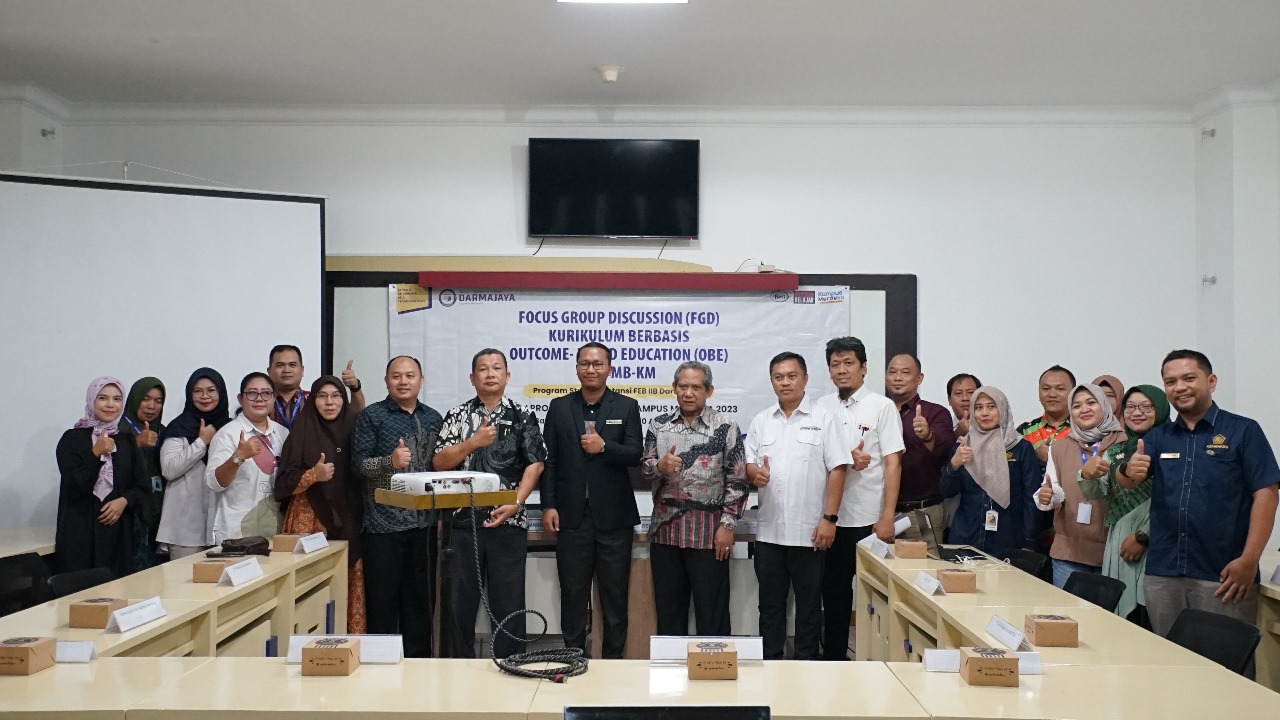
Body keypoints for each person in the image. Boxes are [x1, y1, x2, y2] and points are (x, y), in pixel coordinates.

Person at [1118, 350, 1280, 639]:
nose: (1179, 387)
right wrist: (1127, 470)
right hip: (1163, 573)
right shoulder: (1159, 437)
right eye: (1171, 382)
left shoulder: (1243, 431)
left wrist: (1249, 560)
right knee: (1169, 658)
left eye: (1189, 378)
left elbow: (1266, 494)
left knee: (1224, 659)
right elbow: (1128, 479)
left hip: (1224, 574)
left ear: (1211, 381)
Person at [432, 349, 547, 658]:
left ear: (507, 376)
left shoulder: (523, 415)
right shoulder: (457, 415)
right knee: (460, 603)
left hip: (508, 519)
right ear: (472, 378)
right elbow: (439, 462)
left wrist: (517, 502)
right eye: (483, 369)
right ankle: (458, 668)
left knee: (509, 603)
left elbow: (536, 463)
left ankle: (510, 663)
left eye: (497, 368)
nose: (490, 373)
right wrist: (473, 443)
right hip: (462, 522)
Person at [541, 342, 643, 659]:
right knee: (573, 594)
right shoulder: (559, 407)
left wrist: (605, 447)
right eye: (585, 363)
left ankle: (613, 662)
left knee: (614, 597)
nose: (591, 369)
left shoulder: (626, 406)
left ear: (609, 369)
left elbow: (636, 455)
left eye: (598, 364)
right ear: (576, 369)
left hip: (614, 519)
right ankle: (573, 658)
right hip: (571, 517)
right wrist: (549, 505)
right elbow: (550, 461)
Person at [746, 351, 848, 660]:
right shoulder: (762, 420)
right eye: (779, 377)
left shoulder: (824, 418)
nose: (785, 382)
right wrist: (755, 474)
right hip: (769, 533)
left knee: (809, 606)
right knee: (770, 606)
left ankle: (806, 666)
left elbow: (838, 469)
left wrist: (830, 518)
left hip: (810, 532)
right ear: (771, 381)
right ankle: (770, 662)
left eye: (792, 376)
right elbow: (749, 464)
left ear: (805, 379)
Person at [641, 361, 747, 637]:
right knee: (669, 615)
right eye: (683, 386)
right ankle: (670, 665)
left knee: (712, 615)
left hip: (709, 537)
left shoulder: (726, 426)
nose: (688, 393)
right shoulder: (659, 425)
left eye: (696, 387)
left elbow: (737, 479)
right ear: (674, 388)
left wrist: (728, 526)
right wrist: (659, 467)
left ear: (709, 391)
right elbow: (645, 468)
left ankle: (714, 664)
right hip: (666, 535)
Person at [815, 337, 902, 660]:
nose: (841, 370)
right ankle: (834, 659)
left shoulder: (882, 406)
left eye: (848, 363)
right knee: (833, 595)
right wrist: (846, 458)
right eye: (835, 364)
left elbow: (892, 463)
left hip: (869, 520)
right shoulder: (820, 407)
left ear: (864, 368)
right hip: (830, 519)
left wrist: (887, 516)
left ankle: (874, 661)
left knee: (874, 597)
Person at [353, 355, 443, 658]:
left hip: (424, 528)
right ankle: (379, 668)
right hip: (383, 528)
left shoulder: (433, 418)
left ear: (421, 380)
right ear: (386, 381)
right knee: (382, 607)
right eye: (396, 376)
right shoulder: (372, 416)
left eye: (410, 375)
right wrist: (388, 462)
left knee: (420, 608)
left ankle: (419, 669)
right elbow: (358, 466)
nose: (403, 381)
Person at [276, 376, 367, 633]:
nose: (329, 402)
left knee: (346, 587)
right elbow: (283, 485)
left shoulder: (355, 430)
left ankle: (346, 648)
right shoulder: (301, 432)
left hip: (349, 520)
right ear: (312, 400)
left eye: (336, 395)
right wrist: (312, 475)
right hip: (309, 522)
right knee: (307, 593)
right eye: (322, 396)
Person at [1077, 384, 1167, 623]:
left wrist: (1144, 536)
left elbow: (1176, 501)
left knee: (1150, 617)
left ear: (1160, 409)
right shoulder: (1115, 451)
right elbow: (1097, 492)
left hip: (1156, 542)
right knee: (1119, 615)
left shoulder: (1172, 450)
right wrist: (1086, 474)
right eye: (1130, 407)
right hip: (1118, 541)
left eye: (1146, 407)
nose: (1137, 413)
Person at [1035, 383, 1123, 588]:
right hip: (1068, 552)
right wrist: (1047, 496)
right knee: (1066, 608)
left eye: (1091, 403)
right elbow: (1054, 490)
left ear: (1104, 405)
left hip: (1112, 552)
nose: (1084, 409)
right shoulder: (1058, 447)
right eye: (1076, 406)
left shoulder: (1123, 443)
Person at [55, 376, 145, 576]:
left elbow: (141, 486)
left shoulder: (127, 442)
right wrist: (95, 453)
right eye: (103, 398)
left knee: (119, 589)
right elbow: (74, 486)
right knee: (81, 590)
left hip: (118, 535)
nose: (110, 405)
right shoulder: (71, 439)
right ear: (91, 400)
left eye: (117, 399)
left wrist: (124, 501)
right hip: (80, 530)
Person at [940, 386, 1042, 560]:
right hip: (966, 536)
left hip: (1007, 538)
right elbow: (946, 492)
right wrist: (954, 465)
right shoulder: (963, 446)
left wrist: (1029, 542)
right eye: (978, 408)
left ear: (1002, 409)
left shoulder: (1020, 448)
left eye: (991, 406)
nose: (984, 413)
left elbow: (1031, 498)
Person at [884, 353, 955, 551]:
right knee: (881, 568)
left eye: (905, 373)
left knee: (925, 568)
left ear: (919, 378)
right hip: (880, 514)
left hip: (922, 512)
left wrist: (928, 435)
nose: (898, 378)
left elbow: (944, 451)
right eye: (893, 372)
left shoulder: (935, 412)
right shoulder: (877, 410)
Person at [206, 373, 288, 543]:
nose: (259, 398)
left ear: (274, 398)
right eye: (252, 393)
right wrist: (238, 457)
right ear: (240, 399)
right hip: (237, 532)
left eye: (266, 393)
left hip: (274, 527)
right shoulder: (228, 434)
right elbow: (214, 483)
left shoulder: (282, 433)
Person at [158, 369, 230, 559]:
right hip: (184, 527)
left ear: (221, 393)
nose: (204, 396)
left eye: (211, 390)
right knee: (183, 578)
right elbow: (169, 470)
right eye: (197, 391)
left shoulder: (230, 428)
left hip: (222, 524)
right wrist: (201, 442)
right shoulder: (178, 427)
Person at [117, 377, 166, 569]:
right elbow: (113, 469)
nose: (151, 406)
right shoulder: (118, 430)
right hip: (130, 516)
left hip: (158, 513)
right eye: (146, 399)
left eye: (158, 401)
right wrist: (135, 444)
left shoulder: (163, 431)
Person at [268, 344, 366, 429]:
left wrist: (355, 387)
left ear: (302, 370)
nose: (286, 370)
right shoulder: (263, 400)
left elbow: (356, 414)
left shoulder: (316, 398)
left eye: (292, 365)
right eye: (280, 365)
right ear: (269, 371)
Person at [1017, 365, 1076, 469]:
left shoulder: (1083, 429)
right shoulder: (1025, 431)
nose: (1052, 394)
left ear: (1074, 393)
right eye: (1046, 389)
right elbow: (1011, 469)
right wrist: (1034, 455)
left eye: (1060, 389)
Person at [946, 373, 981, 438]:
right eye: (958, 393)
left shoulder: (993, 426)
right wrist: (957, 433)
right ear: (949, 400)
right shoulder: (941, 427)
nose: (965, 398)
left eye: (970, 392)